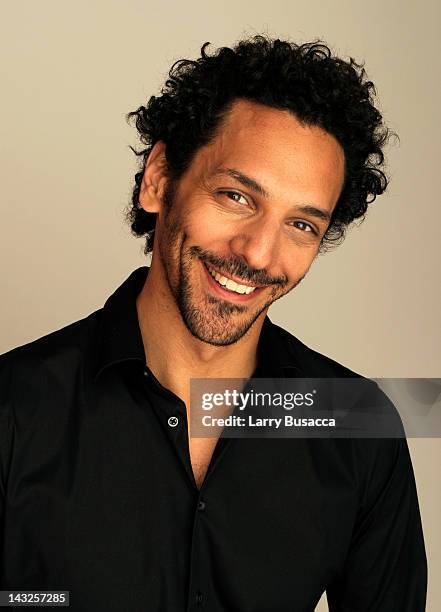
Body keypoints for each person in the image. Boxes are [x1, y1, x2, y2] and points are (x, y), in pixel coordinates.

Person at [0, 36, 427, 611]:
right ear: (158, 178)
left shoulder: (356, 425)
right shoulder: (13, 408)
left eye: (301, 225)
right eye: (236, 196)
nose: (257, 253)